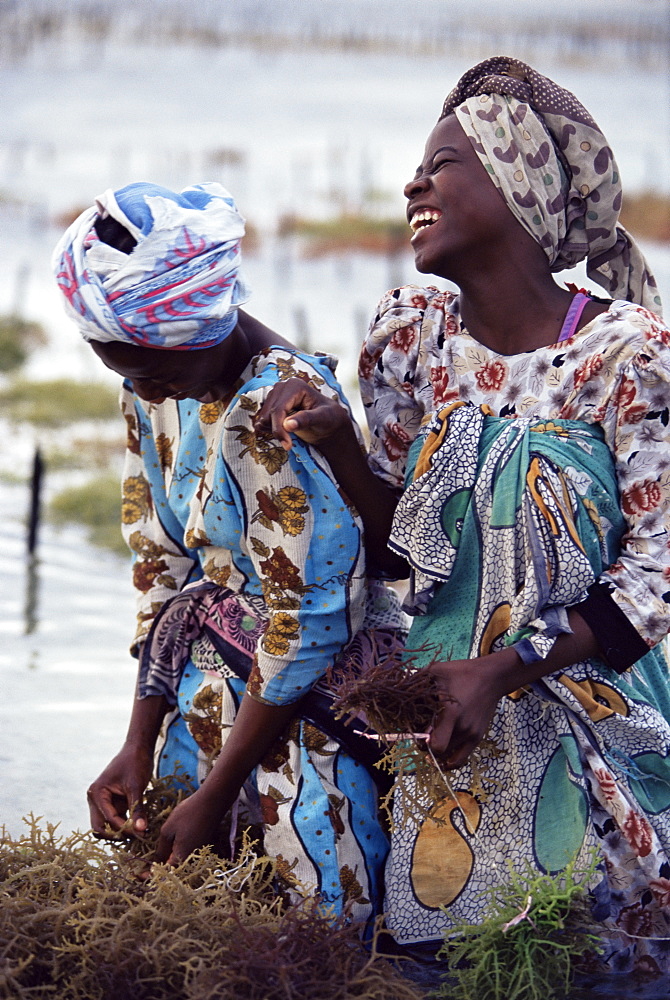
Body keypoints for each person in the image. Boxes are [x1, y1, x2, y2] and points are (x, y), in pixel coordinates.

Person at [255, 57, 670, 974]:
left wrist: (505, 668)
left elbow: (654, 583)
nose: (413, 183)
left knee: (584, 955)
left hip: (588, 721)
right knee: (446, 961)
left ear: (517, 191)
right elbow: (404, 548)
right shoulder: (415, 341)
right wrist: (337, 449)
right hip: (447, 730)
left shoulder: (627, 359)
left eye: (444, 163)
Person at [52, 181, 408, 928]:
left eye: (149, 372)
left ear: (199, 330)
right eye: (123, 373)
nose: (139, 389)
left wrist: (216, 790)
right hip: (202, 686)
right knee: (185, 900)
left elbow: (310, 618)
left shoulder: (283, 414)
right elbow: (159, 565)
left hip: (303, 714)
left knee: (313, 923)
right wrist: (137, 744)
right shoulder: (151, 384)